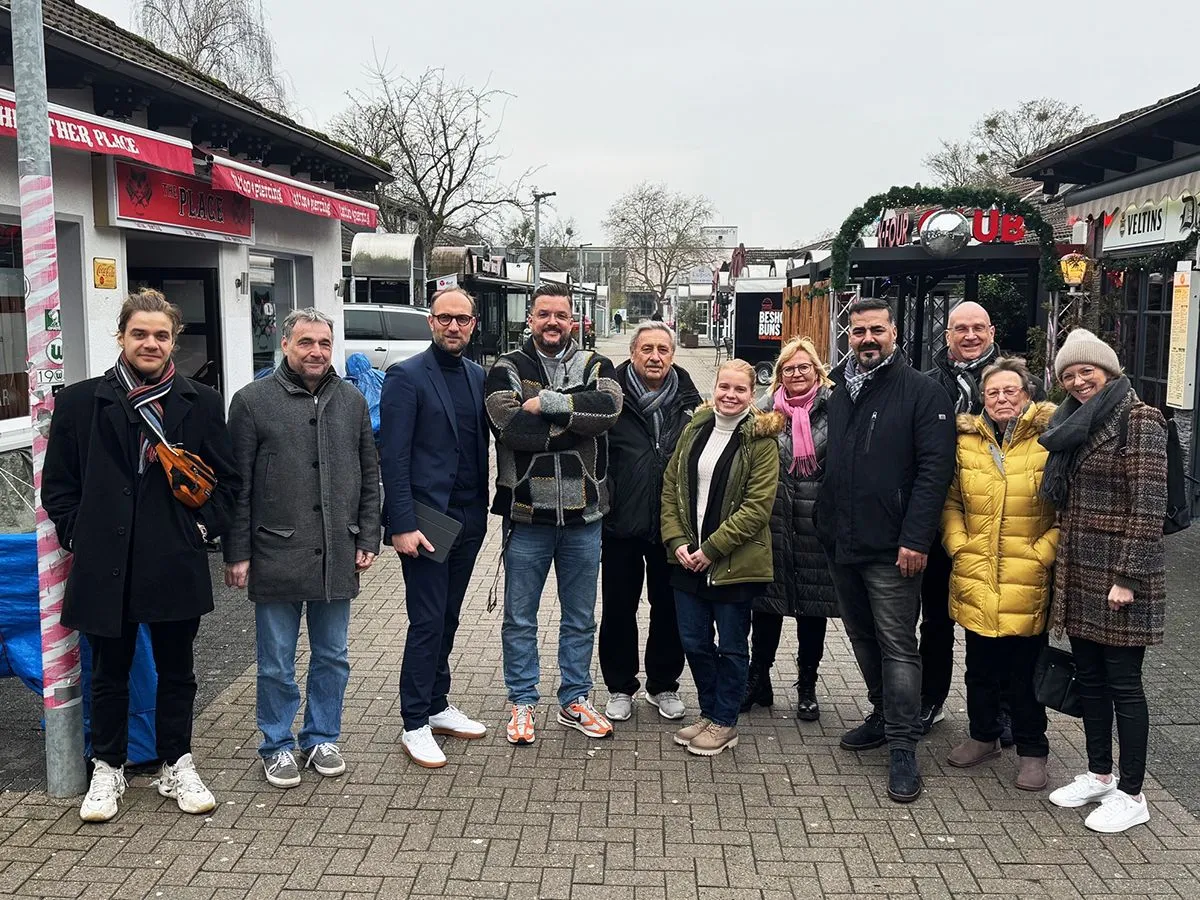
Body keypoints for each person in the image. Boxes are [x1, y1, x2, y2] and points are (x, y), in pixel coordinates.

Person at [43, 288, 239, 822]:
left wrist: (198, 528)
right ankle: (108, 768)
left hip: (173, 559)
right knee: (110, 672)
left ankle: (178, 761)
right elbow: (58, 487)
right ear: (122, 337)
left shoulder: (199, 403)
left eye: (160, 335)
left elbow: (228, 483)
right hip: (106, 563)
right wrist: (80, 534)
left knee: (178, 671)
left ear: (174, 340)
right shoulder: (81, 402)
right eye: (140, 333)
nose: (150, 343)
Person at [224, 308, 380, 789]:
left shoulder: (351, 400)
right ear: (285, 345)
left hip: (337, 549)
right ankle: (276, 743)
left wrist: (368, 535)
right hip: (275, 551)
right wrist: (238, 551)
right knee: (276, 660)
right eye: (306, 342)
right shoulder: (251, 402)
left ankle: (321, 736)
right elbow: (238, 485)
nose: (316, 352)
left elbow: (370, 474)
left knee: (333, 655)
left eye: (324, 344)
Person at [817, 297, 956, 803]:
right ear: (847, 336)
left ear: (894, 332)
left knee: (899, 645)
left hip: (895, 547)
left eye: (876, 330)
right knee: (861, 636)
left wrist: (916, 538)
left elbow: (934, 472)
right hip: (843, 539)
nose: (867, 339)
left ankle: (903, 745)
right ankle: (881, 713)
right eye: (858, 332)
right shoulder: (839, 389)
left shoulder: (922, 391)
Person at [1040, 328, 1168, 834]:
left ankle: (1133, 793)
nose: (1078, 381)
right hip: (1079, 572)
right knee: (1089, 680)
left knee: (1124, 686)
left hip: (1118, 578)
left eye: (1085, 371)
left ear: (1108, 370)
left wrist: (1129, 578)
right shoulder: (1074, 422)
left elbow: (1149, 505)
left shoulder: (1139, 419)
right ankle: (1099, 773)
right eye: (1068, 375)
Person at [485, 282, 623, 745]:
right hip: (526, 515)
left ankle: (574, 700)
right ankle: (522, 701)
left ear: (573, 319)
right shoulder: (506, 366)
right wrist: (574, 426)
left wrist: (546, 404)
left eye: (561, 315)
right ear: (531, 318)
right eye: (544, 314)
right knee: (520, 617)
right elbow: (509, 427)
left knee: (580, 616)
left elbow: (608, 410)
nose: (552, 323)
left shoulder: (595, 364)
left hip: (585, 515)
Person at [379, 288, 490, 769]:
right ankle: (414, 723)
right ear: (430, 322)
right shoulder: (405, 376)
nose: (453, 327)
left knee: (448, 616)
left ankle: (438, 704)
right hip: (426, 522)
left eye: (462, 319)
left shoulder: (477, 376)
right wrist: (400, 524)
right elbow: (393, 456)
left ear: (473, 323)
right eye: (444, 318)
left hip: (469, 517)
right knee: (426, 621)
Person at [941, 358, 1057, 791]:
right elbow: (950, 501)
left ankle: (1032, 750)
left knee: (1025, 672)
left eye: (1011, 391)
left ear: (1027, 395)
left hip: (1026, 575)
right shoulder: (967, 441)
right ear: (982, 399)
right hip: (976, 572)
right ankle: (983, 735)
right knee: (979, 667)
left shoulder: (1050, 439)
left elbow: (1067, 508)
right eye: (993, 392)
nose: (1002, 399)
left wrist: (1042, 553)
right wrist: (958, 545)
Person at [660, 359, 783, 756]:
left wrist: (709, 549)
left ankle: (725, 721)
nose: (729, 396)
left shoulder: (761, 440)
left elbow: (756, 508)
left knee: (731, 646)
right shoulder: (695, 428)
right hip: (687, 560)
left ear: (752, 394)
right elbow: (671, 486)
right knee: (694, 641)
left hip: (734, 564)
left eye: (740, 390)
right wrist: (677, 539)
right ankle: (710, 712)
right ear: (714, 388)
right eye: (723, 387)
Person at [600, 323, 701, 723]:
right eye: (646, 349)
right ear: (632, 352)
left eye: (662, 349)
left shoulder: (691, 401)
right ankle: (621, 686)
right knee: (619, 608)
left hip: (672, 528)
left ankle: (664, 684)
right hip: (620, 523)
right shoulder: (610, 396)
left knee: (670, 608)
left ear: (673, 355)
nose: (654, 356)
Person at [743, 336, 839, 721]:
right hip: (774, 522)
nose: (796, 374)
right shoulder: (763, 415)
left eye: (804, 367)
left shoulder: (836, 410)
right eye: (788, 368)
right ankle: (758, 677)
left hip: (815, 525)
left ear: (817, 370)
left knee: (811, 611)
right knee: (765, 607)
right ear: (779, 375)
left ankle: (807, 684)